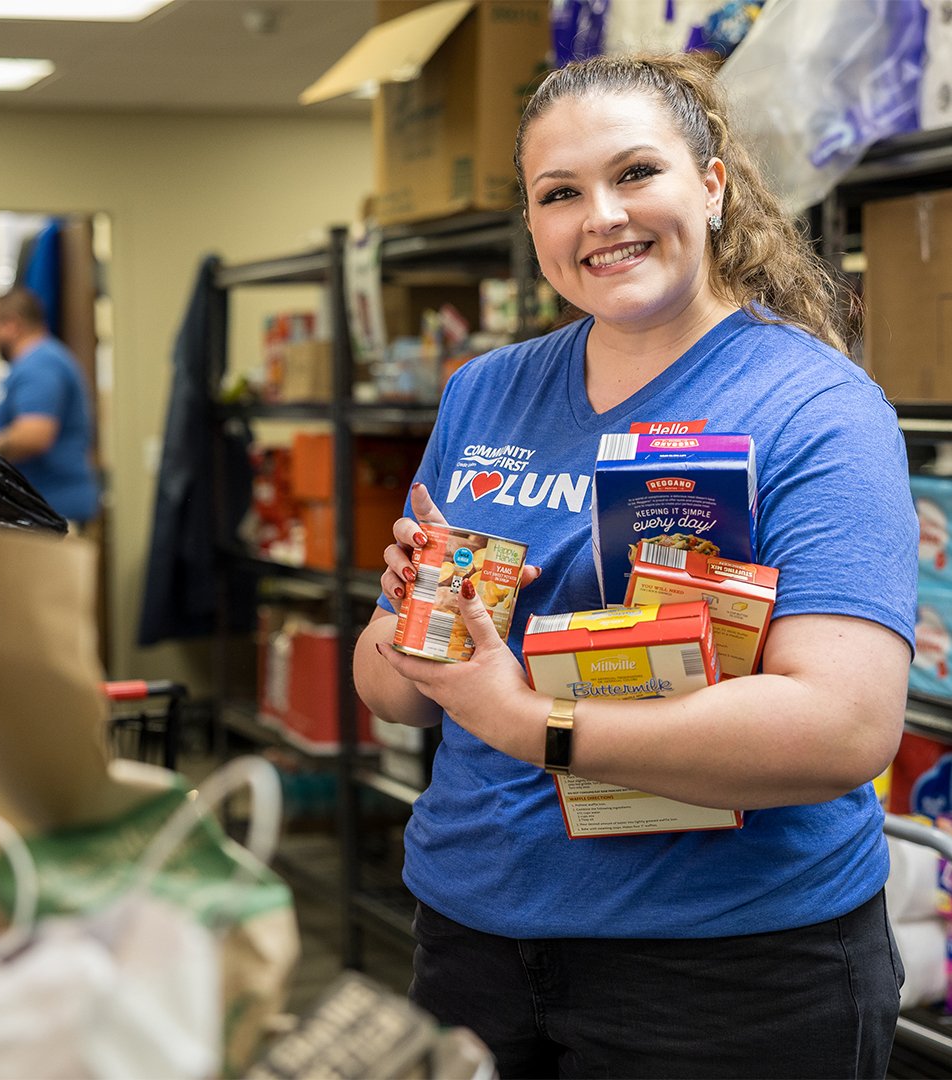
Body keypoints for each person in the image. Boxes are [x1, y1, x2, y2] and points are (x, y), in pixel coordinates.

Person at [353, 51, 916, 1080]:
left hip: (727, 969)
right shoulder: (486, 394)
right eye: (559, 193)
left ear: (710, 185)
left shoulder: (815, 408)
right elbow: (392, 690)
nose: (601, 216)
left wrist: (525, 721)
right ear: (533, 226)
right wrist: (411, 616)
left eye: (636, 174)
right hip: (472, 937)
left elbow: (845, 725)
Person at [0, 286, 100, 529]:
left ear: (12, 324)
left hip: (53, 509)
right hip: (45, 508)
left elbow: (33, 436)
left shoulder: (39, 364)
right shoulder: (36, 363)